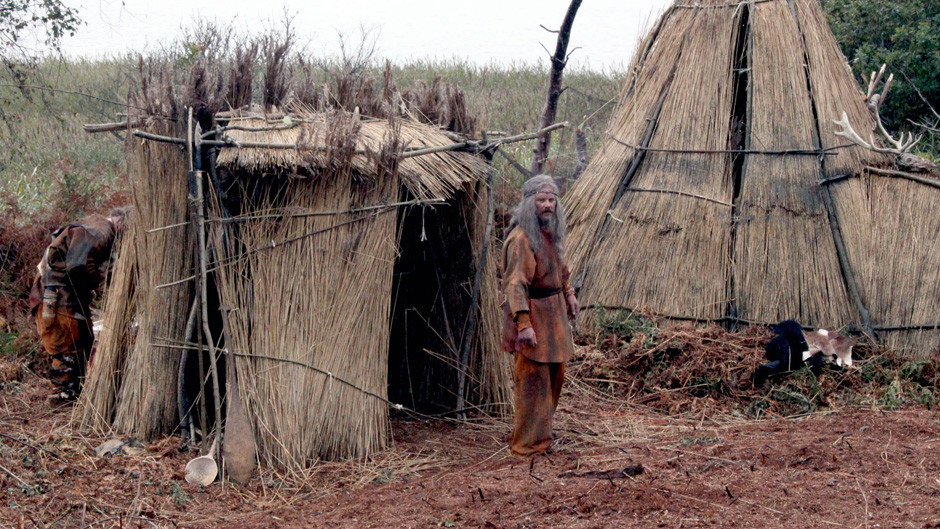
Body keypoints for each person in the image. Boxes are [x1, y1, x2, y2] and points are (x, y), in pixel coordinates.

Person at [500, 174, 579, 456]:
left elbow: (562, 270)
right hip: (532, 318)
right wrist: (523, 324)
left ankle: (541, 439)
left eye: (551, 200)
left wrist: (569, 294)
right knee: (533, 382)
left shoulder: (552, 234)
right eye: (541, 200)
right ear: (529, 204)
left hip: (554, 319)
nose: (547, 205)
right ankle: (526, 447)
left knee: (554, 379)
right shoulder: (521, 239)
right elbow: (515, 284)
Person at [28, 207, 130, 402]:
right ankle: (61, 400)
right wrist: (105, 277)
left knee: (81, 345)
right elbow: (78, 266)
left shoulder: (93, 228)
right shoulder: (98, 232)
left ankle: (70, 398)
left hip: (65, 298)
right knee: (68, 350)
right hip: (59, 300)